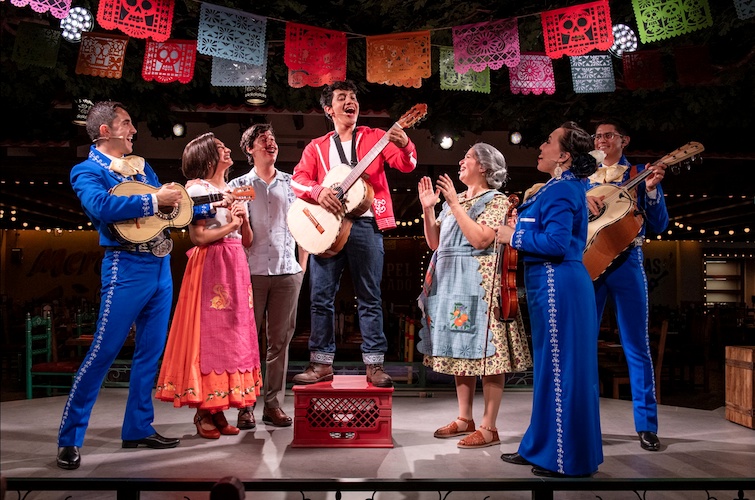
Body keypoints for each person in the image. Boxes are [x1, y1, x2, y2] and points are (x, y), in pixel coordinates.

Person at [57, 101, 184, 470]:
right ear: (105, 131)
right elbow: (100, 207)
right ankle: (69, 439)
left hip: (159, 264)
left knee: (150, 352)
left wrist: (202, 203)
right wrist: (154, 198)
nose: (133, 130)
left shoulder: (140, 166)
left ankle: (138, 428)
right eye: (126, 123)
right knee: (103, 352)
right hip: (124, 265)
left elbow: (163, 213)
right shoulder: (86, 170)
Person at [290, 80, 418, 387]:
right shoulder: (316, 147)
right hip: (328, 230)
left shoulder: (375, 137)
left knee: (370, 296)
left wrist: (405, 144)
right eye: (342, 97)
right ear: (328, 109)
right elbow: (298, 180)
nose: (351, 101)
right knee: (320, 297)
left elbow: (407, 165)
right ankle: (321, 364)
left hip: (366, 224)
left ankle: (374, 365)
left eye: (353, 97)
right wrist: (319, 191)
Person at [497, 122, 603, 478]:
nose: (540, 146)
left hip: (559, 284)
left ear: (564, 156)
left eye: (548, 141)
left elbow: (556, 244)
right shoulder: (559, 187)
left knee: (562, 372)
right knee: (549, 371)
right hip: (552, 285)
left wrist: (513, 235)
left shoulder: (562, 190)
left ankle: (564, 459)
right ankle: (540, 448)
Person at [416, 143, 532, 449]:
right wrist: (429, 208)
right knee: (461, 352)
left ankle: (489, 427)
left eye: (467, 157)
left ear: (483, 166)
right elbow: (435, 242)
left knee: (489, 356)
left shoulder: (497, 201)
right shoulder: (455, 202)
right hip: (452, 285)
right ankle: (464, 418)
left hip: (481, 287)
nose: (460, 161)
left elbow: (481, 239)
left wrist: (455, 204)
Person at [154, 132, 263, 439]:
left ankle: (218, 408)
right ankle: (204, 410)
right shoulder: (197, 190)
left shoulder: (233, 190)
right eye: (220, 147)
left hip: (236, 263)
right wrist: (231, 225)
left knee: (233, 337)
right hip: (212, 264)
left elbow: (247, 241)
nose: (227, 149)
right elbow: (198, 237)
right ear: (207, 156)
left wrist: (243, 222)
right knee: (209, 337)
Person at [587, 119, 668, 452]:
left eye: (608, 135)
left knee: (636, 344)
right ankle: (585, 423)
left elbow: (659, 224)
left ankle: (647, 425)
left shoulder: (638, 173)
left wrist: (651, 190)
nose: (601, 140)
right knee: (583, 345)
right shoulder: (583, 178)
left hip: (627, 261)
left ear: (624, 140)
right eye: (598, 136)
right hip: (591, 260)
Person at [228, 124, 308, 429]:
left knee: (280, 343)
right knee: (246, 342)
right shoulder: (238, 185)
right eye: (263, 140)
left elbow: (305, 224)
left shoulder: (292, 184)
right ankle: (245, 406)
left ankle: (273, 405)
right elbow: (234, 234)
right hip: (250, 273)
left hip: (288, 272)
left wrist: (302, 266)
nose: (270, 143)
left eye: (273, 139)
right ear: (250, 149)